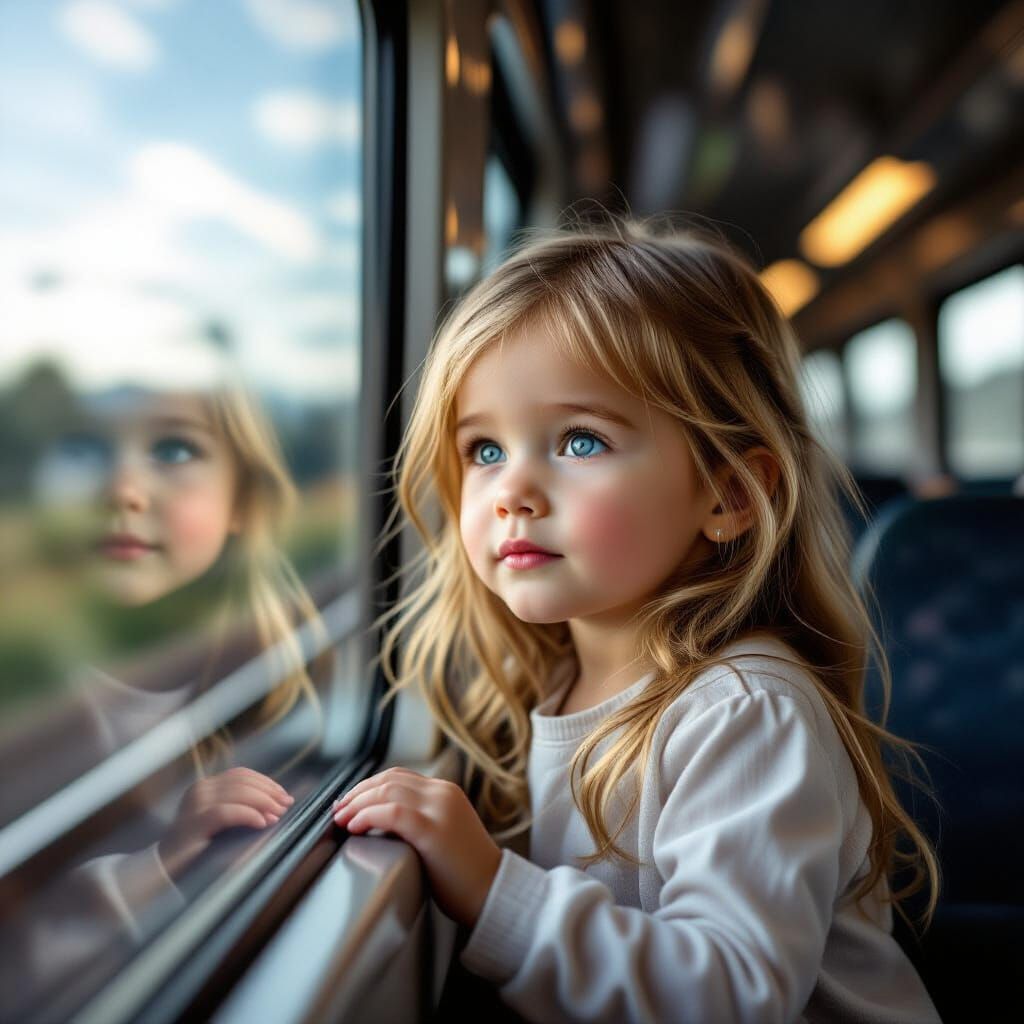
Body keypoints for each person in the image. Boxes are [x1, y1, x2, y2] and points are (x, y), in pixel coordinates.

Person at [331, 220, 941, 1023]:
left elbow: (731, 996)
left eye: (580, 440)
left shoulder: (745, 711)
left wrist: (492, 890)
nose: (512, 490)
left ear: (726, 496)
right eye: (484, 451)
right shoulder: (550, 680)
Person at [0, 379, 327, 1015]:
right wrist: (157, 864)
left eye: (174, 451)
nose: (122, 489)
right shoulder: (30, 706)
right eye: (84, 451)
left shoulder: (279, 677)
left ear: (245, 502)